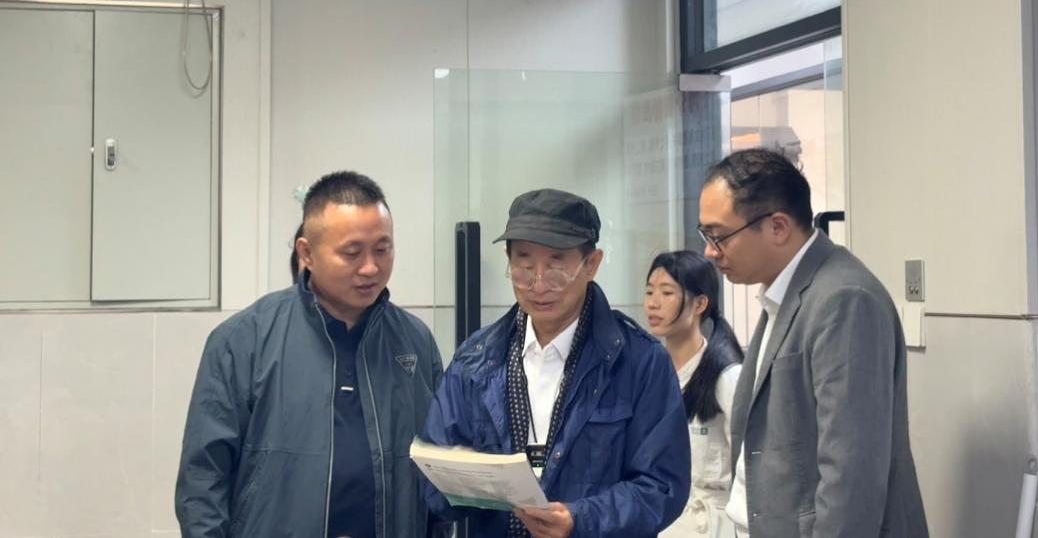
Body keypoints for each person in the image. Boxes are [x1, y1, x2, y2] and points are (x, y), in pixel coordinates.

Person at [176, 170, 446, 538]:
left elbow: (437, 471)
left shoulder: (414, 341)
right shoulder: (244, 340)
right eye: (352, 252)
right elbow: (202, 479)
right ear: (307, 253)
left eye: (383, 249)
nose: (371, 267)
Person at [420, 188, 691, 538]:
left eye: (556, 266)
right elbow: (434, 484)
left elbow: (661, 487)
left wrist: (581, 519)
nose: (538, 284)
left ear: (591, 264)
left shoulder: (640, 361)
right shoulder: (476, 358)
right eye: (524, 265)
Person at [696, 149, 928, 537]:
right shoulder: (783, 293)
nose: (709, 251)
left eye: (719, 236)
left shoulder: (844, 299)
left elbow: (850, 475)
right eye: (706, 235)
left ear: (777, 227)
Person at [644, 251, 743, 538]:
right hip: (662, 518)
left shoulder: (726, 377)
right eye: (649, 291)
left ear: (700, 303)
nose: (653, 303)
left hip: (713, 525)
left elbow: (750, 465)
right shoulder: (650, 374)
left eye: (667, 293)